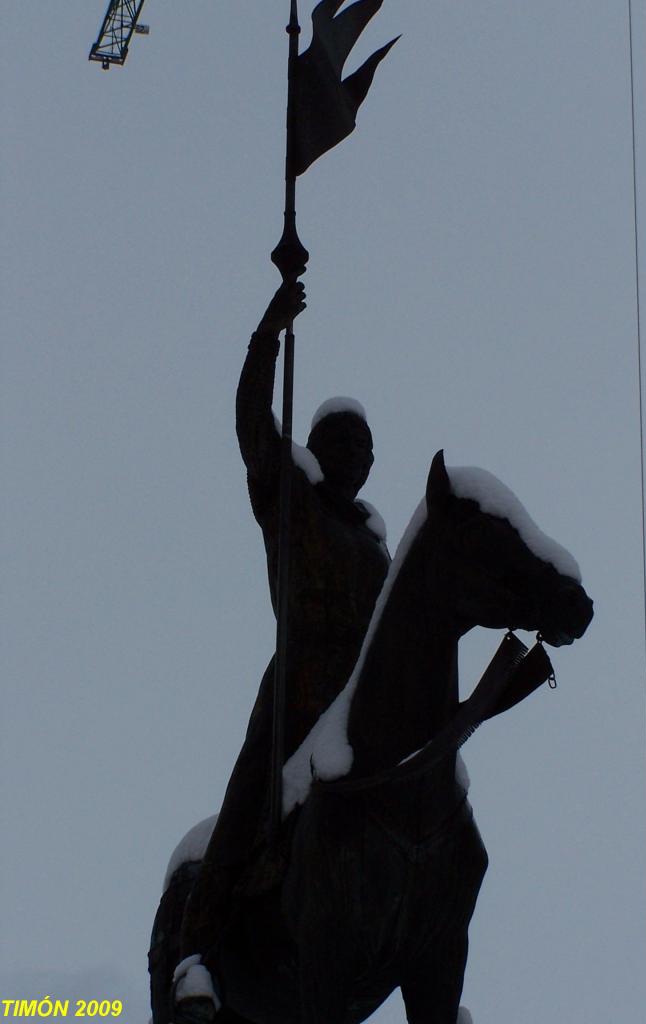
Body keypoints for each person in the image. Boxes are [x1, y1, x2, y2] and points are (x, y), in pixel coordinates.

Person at [171, 281, 391, 1021]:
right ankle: (195, 953)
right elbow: (251, 423)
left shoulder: (375, 544)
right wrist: (269, 332)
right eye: (340, 442)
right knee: (248, 805)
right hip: (300, 682)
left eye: (363, 445)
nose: (353, 453)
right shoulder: (289, 494)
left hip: (362, 698)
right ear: (320, 451)